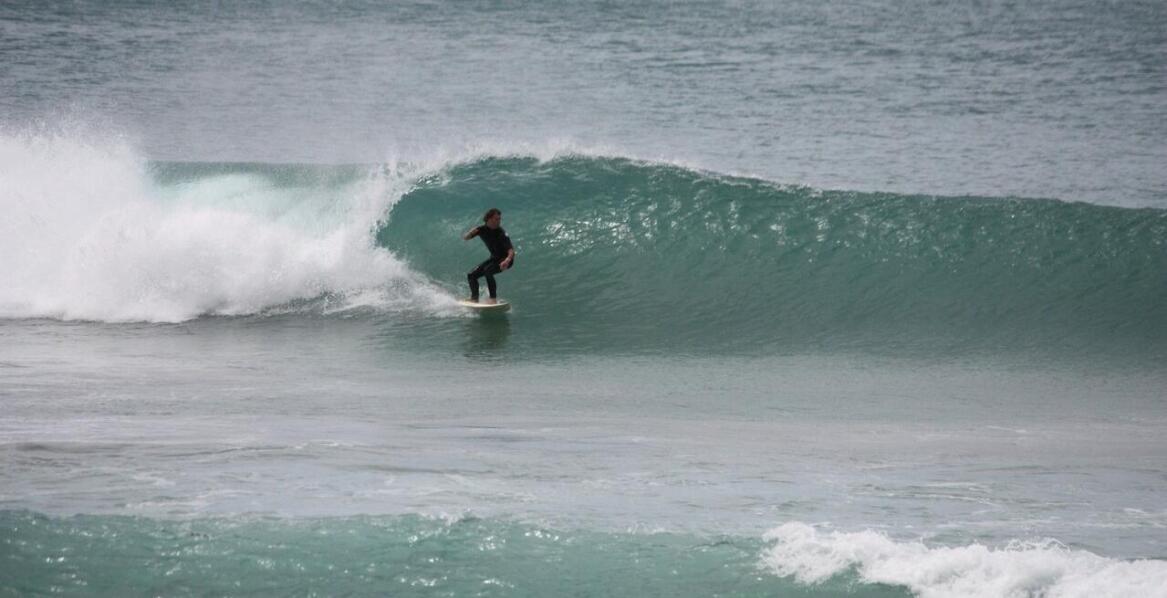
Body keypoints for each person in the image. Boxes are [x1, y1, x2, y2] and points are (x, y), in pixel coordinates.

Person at [462, 208, 515, 303]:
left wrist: (507, 260)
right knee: (471, 275)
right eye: (496, 219)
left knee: (488, 270)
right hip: (494, 259)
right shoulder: (481, 229)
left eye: (499, 219)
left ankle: (493, 299)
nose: (499, 221)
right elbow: (466, 238)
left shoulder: (501, 233)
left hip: (506, 260)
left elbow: (511, 251)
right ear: (489, 219)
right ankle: (474, 299)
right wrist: (470, 233)